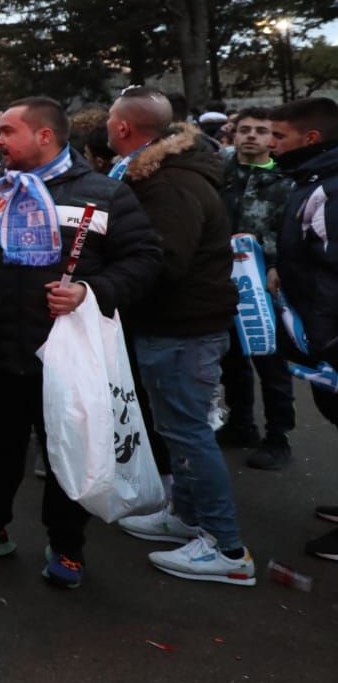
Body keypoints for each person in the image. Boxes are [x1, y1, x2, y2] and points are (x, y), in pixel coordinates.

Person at [0, 96, 163, 588]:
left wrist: (91, 291)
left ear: (44, 136)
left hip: (68, 356)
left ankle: (67, 547)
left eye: (7, 130)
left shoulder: (103, 195)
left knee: (68, 450)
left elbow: (146, 259)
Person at [105, 90, 253, 585]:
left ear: (125, 128)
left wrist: (104, 278)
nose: (106, 126)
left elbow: (164, 261)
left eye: (110, 119)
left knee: (189, 432)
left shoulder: (169, 185)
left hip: (183, 328)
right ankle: (186, 515)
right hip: (174, 326)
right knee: (178, 429)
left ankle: (225, 546)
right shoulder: (163, 176)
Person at [266, 97, 338, 562]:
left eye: (279, 137)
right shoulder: (312, 180)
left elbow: (334, 267)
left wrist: (326, 337)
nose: (271, 145)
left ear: (310, 139)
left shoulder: (329, 188)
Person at [215, 107, 294, 469]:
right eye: (244, 129)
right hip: (221, 278)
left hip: (266, 282)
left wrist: (279, 267)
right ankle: (240, 423)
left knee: (270, 361)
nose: (251, 136)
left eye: (260, 131)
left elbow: (291, 232)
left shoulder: (287, 180)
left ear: (272, 138)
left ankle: (278, 437)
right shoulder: (220, 173)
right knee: (231, 358)